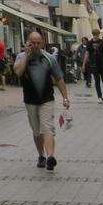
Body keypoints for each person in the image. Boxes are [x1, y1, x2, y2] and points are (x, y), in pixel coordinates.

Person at [13, 30, 71, 172]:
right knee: (36, 131)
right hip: (30, 100)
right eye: (33, 43)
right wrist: (26, 55)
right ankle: (41, 156)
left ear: (43, 43)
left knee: (47, 127)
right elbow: (18, 72)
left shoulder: (49, 58)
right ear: (27, 42)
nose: (36, 46)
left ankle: (50, 156)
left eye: (38, 43)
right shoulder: (21, 57)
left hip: (47, 99)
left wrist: (65, 97)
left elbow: (59, 78)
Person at [86, 29, 103, 103]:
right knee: (97, 81)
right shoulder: (89, 43)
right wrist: (84, 64)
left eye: (97, 34)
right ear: (93, 34)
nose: (97, 35)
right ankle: (99, 97)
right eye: (96, 34)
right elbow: (87, 54)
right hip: (94, 65)